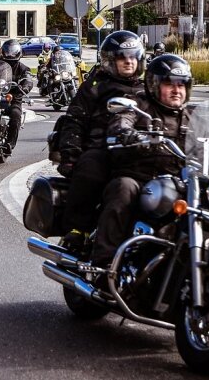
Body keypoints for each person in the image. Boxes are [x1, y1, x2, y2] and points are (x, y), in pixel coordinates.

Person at [90, 54, 193, 269]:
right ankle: (104, 262)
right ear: (155, 85)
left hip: (177, 181)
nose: (177, 90)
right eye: (169, 83)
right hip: (140, 177)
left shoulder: (191, 117)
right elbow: (122, 121)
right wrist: (128, 134)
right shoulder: (138, 105)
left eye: (181, 84)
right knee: (123, 189)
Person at [57, 30, 146, 254]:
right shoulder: (95, 85)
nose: (128, 61)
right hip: (100, 147)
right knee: (90, 169)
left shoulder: (147, 89)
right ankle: (77, 230)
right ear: (110, 60)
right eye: (122, 57)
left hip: (138, 151)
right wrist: (71, 155)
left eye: (133, 56)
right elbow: (74, 120)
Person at [0, 39, 33, 154]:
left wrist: (25, 87)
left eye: (13, 51)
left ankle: (10, 144)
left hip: (13, 98)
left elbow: (28, 79)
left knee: (16, 114)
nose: (10, 54)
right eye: (8, 51)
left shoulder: (23, 68)